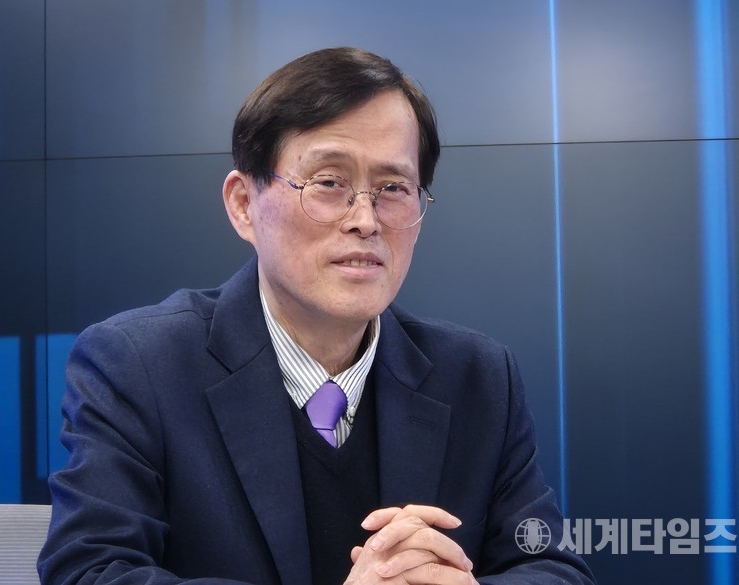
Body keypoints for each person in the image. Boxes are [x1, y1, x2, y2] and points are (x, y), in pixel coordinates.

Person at [38, 47, 595, 585]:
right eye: (329, 183)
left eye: (393, 188)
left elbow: (551, 568)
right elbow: (91, 571)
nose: (365, 220)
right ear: (243, 204)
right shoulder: (138, 365)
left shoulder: (477, 377)